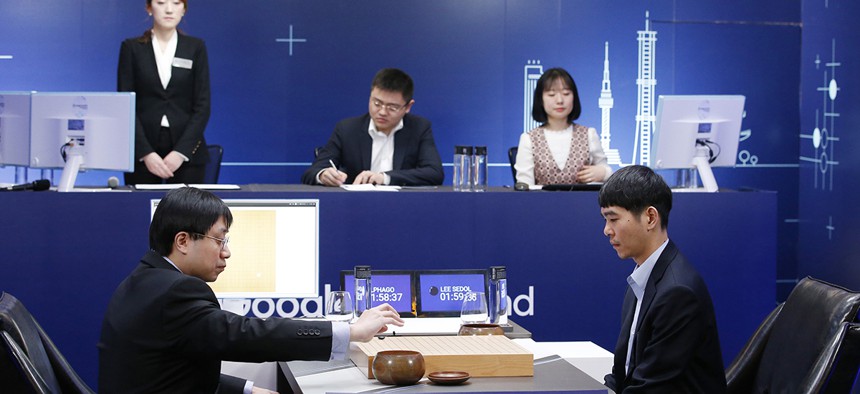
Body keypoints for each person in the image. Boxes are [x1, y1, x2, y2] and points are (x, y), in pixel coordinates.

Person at [98, 187, 404, 393]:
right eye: (220, 240)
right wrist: (350, 331)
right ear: (182, 241)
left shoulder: (142, 281)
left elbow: (173, 370)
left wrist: (246, 389)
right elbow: (247, 335)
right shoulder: (176, 291)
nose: (226, 252)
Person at [598, 165, 726, 393]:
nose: (607, 230)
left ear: (650, 217)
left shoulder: (677, 293)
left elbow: (649, 387)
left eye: (613, 219)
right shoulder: (641, 280)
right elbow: (622, 374)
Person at [118, 0, 211, 185]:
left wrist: (181, 152)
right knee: (139, 212)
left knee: (188, 212)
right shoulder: (132, 47)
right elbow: (126, 104)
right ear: (149, 8)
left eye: (176, 3)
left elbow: (203, 105)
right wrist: (145, 152)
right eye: (161, 3)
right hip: (143, 150)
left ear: (184, 9)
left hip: (187, 150)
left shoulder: (195, 47)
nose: (169, 9)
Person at [301, 68, 444, 187]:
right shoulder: (347, 129)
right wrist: (323, 174)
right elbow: (312, 172)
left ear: (408, 107)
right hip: (354, 206)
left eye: (392, 107)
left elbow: (434, 173)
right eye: (377, 103)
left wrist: (385, 178)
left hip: (403, 206)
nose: (382, 111)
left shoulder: (419, 128)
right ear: (370, 97)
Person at [515, 67, 611, 186]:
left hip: (583, 203)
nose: (560, 100)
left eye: (566, 93)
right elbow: (524, 187)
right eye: (551, 94)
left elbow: (608, 172)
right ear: (540, 99)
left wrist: (602, 172)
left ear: (574, 97)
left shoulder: (589, 134)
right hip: (541, 204)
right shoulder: (528, 139)